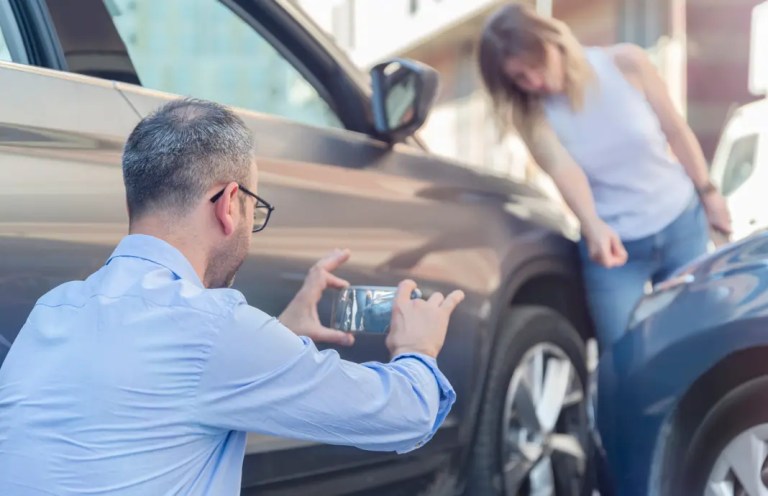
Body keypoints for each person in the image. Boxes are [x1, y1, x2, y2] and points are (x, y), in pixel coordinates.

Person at [0, 98, 465, 495]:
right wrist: (416, 349)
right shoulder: (214, 329)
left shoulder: (55, 309)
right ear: (228, 204)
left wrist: (278, 335)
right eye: (253, 209)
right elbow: (403, 415)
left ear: (131, 204)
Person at [477, 3, 732, 348]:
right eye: (520, 78)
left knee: (701, 340)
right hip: (614, 248)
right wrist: (592, 224)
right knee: (622, 357)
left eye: (536, 66)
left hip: (680, 225)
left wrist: (709, 193)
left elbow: (675, 129)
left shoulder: (626, 63)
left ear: (554, 40)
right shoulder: (531, 115)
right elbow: (564, 171)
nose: (534, 81)